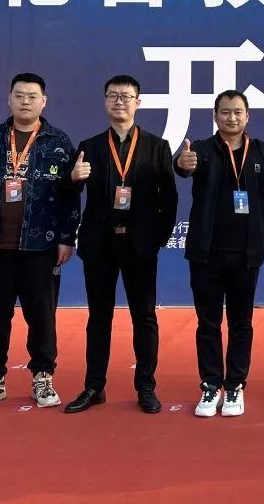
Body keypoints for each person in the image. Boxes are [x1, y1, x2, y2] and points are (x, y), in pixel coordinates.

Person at [0, 72, 80, 411]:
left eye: (32, 96)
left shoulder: (59, 142)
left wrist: (66, 238)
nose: (25, 101)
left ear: (44, 101)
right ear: (9, 99)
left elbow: (71, 194)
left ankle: (43, 376)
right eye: (19, 95)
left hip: (40, 245)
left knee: (42, 316)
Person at [64, 75, 178, 415]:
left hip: (140, 245)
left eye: (126, 96)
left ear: (138, 103)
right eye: (113, 96)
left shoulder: (157, 146)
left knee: (144, 317)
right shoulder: (89, 146)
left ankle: (146, 387)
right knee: (99, 318)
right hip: (100, 244)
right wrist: (73, 180)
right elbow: (69, 194)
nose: (119, 102)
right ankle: (94, 386)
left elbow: (169, 199)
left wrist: (157, 238)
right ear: (104, 101)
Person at [175, 89, 264, 418]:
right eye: (225, 112)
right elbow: (183, 168)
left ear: (247, 116)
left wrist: (259, 234)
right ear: (215, 116)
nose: (231, 117)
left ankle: (235, 384)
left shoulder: (262, 151)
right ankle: (210, 384)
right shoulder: (201, 149)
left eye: (237, 112)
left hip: (245, 254)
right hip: (206, 253)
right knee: (208, 322)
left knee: (240, 322)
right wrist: (181, 164)